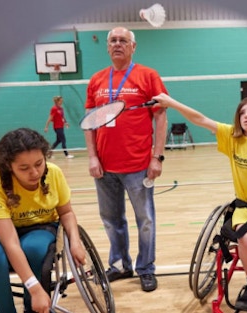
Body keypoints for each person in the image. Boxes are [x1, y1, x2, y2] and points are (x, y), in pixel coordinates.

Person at [153, 78, 247, 313]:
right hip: (244, 207)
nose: (246, 115)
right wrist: (171, 102)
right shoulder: (232, 137)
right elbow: (200, 119)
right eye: (242, 112)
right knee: (245, 239)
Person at [83, 26, 168, 292]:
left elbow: (161, 117)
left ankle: (146, 268)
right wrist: (92, 157)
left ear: (133, 47)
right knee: (112, 220)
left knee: (145, 220)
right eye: (113, 40)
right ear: (107, 47)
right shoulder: (96, 80)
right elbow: (89, 123)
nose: (118, 44)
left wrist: (157, 157)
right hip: (105, 167)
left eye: (123, 40)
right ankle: (120, 265)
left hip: (138, 166)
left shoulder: (148, 75)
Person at [0, 127, 86, 313]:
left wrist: (75, 242)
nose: (34, 172)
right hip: (2, 231)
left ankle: (33, 309)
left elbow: (66, 212)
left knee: (34, 249)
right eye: (24, 168)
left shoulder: (54, 173)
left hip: (41, 227)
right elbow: (11, 243)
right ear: (8, 166)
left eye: (39, 163)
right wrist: (35, 289)